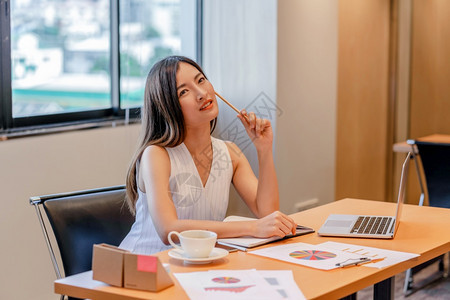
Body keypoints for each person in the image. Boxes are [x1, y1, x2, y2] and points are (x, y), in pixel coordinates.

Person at [119, 55, 296, 254]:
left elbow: (268, 215)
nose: (201, 93)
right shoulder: (156, 155)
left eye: (201, 80)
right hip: (144, 267)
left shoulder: (230, 153)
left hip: (195, 266)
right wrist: (252, 228)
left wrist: (264, 150)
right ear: (167, 107)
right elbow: (168, 230)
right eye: (183, 91)